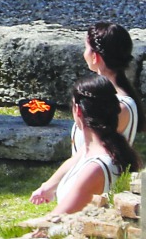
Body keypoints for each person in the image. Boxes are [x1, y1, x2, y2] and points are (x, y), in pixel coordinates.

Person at [30, 75, 141, 215]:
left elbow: (55, 219)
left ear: (78, 110)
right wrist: (48, 187)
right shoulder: (108, 149)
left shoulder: (95, 168)